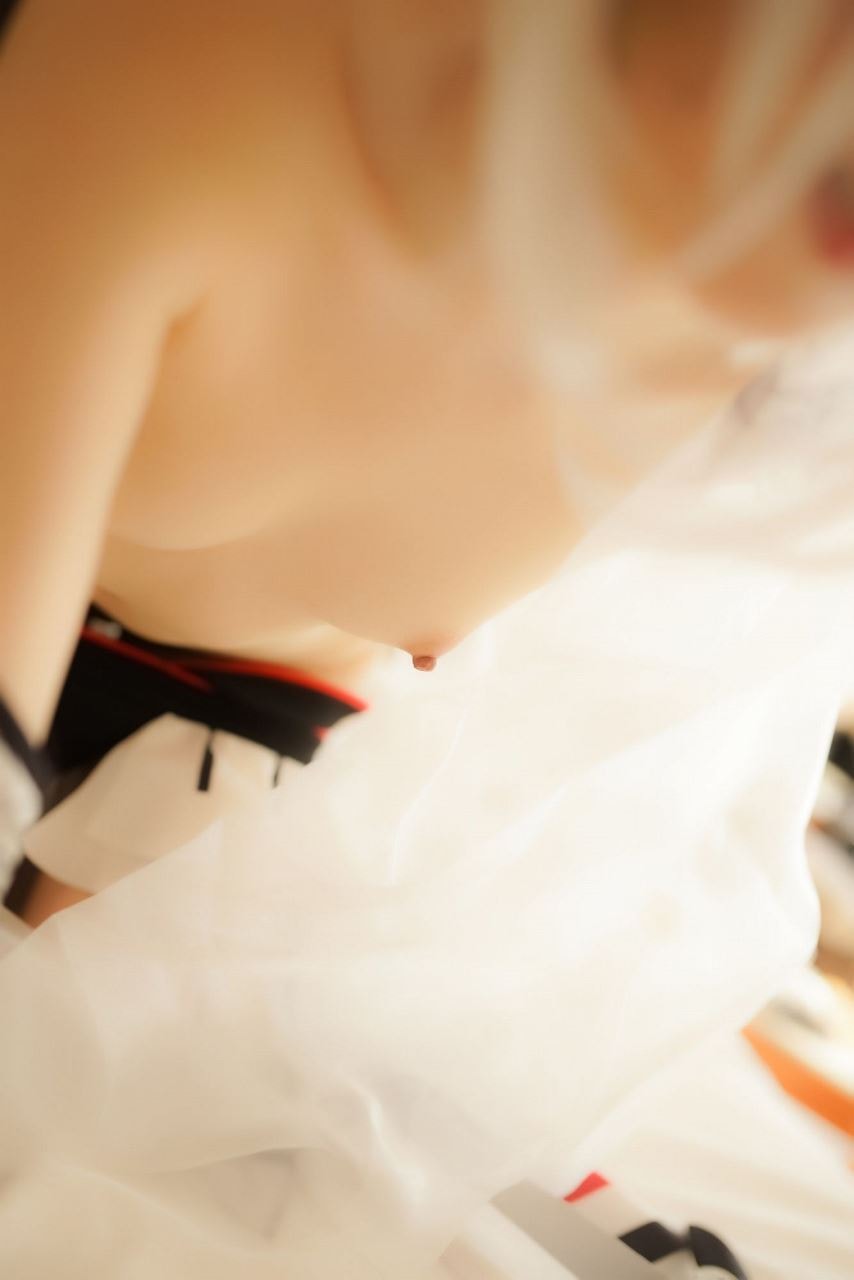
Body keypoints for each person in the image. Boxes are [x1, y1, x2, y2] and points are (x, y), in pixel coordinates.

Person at [1, 2, 853, 1275]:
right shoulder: (202, 66)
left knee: (317, 1129)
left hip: (246, 762)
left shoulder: (792, 382)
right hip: (120, 697)